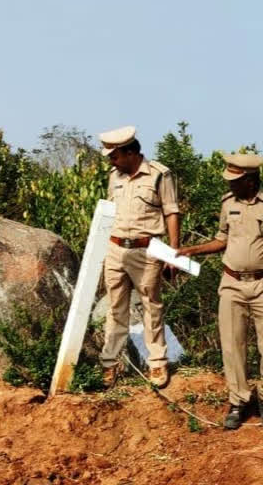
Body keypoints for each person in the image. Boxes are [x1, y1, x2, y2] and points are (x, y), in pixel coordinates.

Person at [176, 153, 263, 429]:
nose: (230, 185)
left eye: (235, 180)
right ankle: (238, 401)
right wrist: (192, 250)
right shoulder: (228, 203)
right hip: (232, 282)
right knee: (232, 344)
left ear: (250, 180)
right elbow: (221, 239)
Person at [100, 126, 180, 388]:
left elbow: (171, 212)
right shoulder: (115, 176)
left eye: (115, 156)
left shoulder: (159, 175)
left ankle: (157, 363)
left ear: (131, 152)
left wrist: (173, 253)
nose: (112, 161)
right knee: (115, 307)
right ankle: (110, 364)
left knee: (151, 305)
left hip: (147, 250)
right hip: (114, 249)